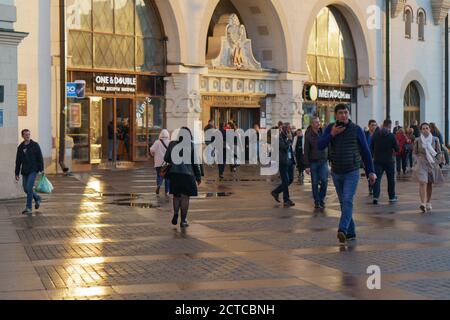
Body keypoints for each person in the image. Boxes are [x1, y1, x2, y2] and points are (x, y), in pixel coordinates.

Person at [318, 104, 376, 244]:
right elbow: (320, 145)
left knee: (347, 199)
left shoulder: (356, 130)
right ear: (335, 115)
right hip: (337, 171)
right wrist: (332, 134)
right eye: (340, 113)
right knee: (344, 202)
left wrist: (371, 171)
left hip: (352, 170)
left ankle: (342, 230)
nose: (344, 115)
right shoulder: (330, 128)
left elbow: (366, 152)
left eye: (346, 112)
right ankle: (351, 232)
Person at [164, 127, 202, 227]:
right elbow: (195, 163)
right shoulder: (191, 145)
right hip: (187, 175)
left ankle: (176, 213)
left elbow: (166, 158)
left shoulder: (172, 144)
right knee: (185, 197)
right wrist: (198, 177)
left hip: (174, 174)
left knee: (176, 196)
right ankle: (183, 220)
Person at [412, 123, 444, 212]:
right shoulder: (417, 140)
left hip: (432, 163)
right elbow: (414, 153)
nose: (425, 130)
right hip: (421, 163)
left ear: (430, 129)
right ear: (421, 130)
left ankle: (428, 202)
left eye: (427, 128)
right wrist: (416, 160)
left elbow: (439, 152)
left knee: (429, 183)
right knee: (423, 182)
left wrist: (438, 161)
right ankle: (422, 203)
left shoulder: (435, 139)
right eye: (423, 128)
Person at [15, 129, 44, 215]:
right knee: (26, 189)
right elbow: (18, 161)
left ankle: (29, 207)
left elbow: (40, 158)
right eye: (26, 135)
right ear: (22, 136)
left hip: (33, 170)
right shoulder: (20, 147)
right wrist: (16, 173)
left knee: (29, 187)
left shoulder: (35, 145)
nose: (27, 136)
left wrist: (41, 169)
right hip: (25, 171)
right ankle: (37, 198)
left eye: (29, 134)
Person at [371, 120, 400, 205]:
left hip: (377, 161)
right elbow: (397, 149)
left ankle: (375, 197)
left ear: (383, 125)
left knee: (377, 179)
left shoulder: (375, 135)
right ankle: (391, 197)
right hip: (389, 161)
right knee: (391, 180)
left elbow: (371, 147)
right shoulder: (391, 136)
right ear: (390, 126)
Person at [304, 117, 328, 209]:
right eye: (316, 122)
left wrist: (330, 158)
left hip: (323, 161)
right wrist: (306, 165)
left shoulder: (323, 132)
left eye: (319, 122)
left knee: (324, 181)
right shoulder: (308, 135)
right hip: (313, 162)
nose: (318, 124)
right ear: (312, 124)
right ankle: (317, 201)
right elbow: (306, 151)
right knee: (314, 183)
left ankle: (321, 199)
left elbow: (328, 145)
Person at [271, 123, 296, 208]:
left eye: (290, 129)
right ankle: (286, 200)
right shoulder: (279, 138)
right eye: (289, 129)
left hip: (290, 161)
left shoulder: (289, 136)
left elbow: (290, 147)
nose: (290, 130)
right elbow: (285, 147)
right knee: (285, 181)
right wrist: (289, 140)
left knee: (290, 180)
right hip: (283, 162)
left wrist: (290, 139)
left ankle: (276, 192)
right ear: (285, 129)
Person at [150, 129, 171, 196]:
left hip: (158, 163)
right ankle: (167, 191)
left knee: (159, 175)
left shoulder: (157, 142)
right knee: (167, 177)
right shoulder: (170, 142)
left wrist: (153, 154)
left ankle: (159, 184)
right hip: (167, 163)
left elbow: (152, 150)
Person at [365, 120, 378, 195]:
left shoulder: (377, 134)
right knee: (368, 173)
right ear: (369, 125)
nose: (374, 126)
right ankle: (370, 185)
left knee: (375, 173)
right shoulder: (365, 134)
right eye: (372, 125)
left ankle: (374, 188)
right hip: (367, 157)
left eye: (375, 125)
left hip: (375, 157)